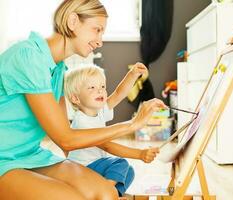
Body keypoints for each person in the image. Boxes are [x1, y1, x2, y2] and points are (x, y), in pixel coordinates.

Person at [0, 0, 166, 200]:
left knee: (107, 194)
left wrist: (79, 171)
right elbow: (65, 139)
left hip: (32, 155)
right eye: (96, 30)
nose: (100, 41)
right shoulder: (28, 56)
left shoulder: (58, 68)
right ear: (72, 21)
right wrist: (132, 124)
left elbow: (63, 135)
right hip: (3, 160)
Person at [64, 64, 160, 197]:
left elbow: (118, 93)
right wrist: (139, 154)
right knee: (121, 164)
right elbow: (107, 146)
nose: (100, 91)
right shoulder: (82, 122)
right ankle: (102, 194)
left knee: (129, 171)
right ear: (75, 98)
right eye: (92, 87)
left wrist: (132, 75)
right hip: (82, 170)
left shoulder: (99, 111)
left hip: (95, 167)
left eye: (102, 87)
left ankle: (113, 194)